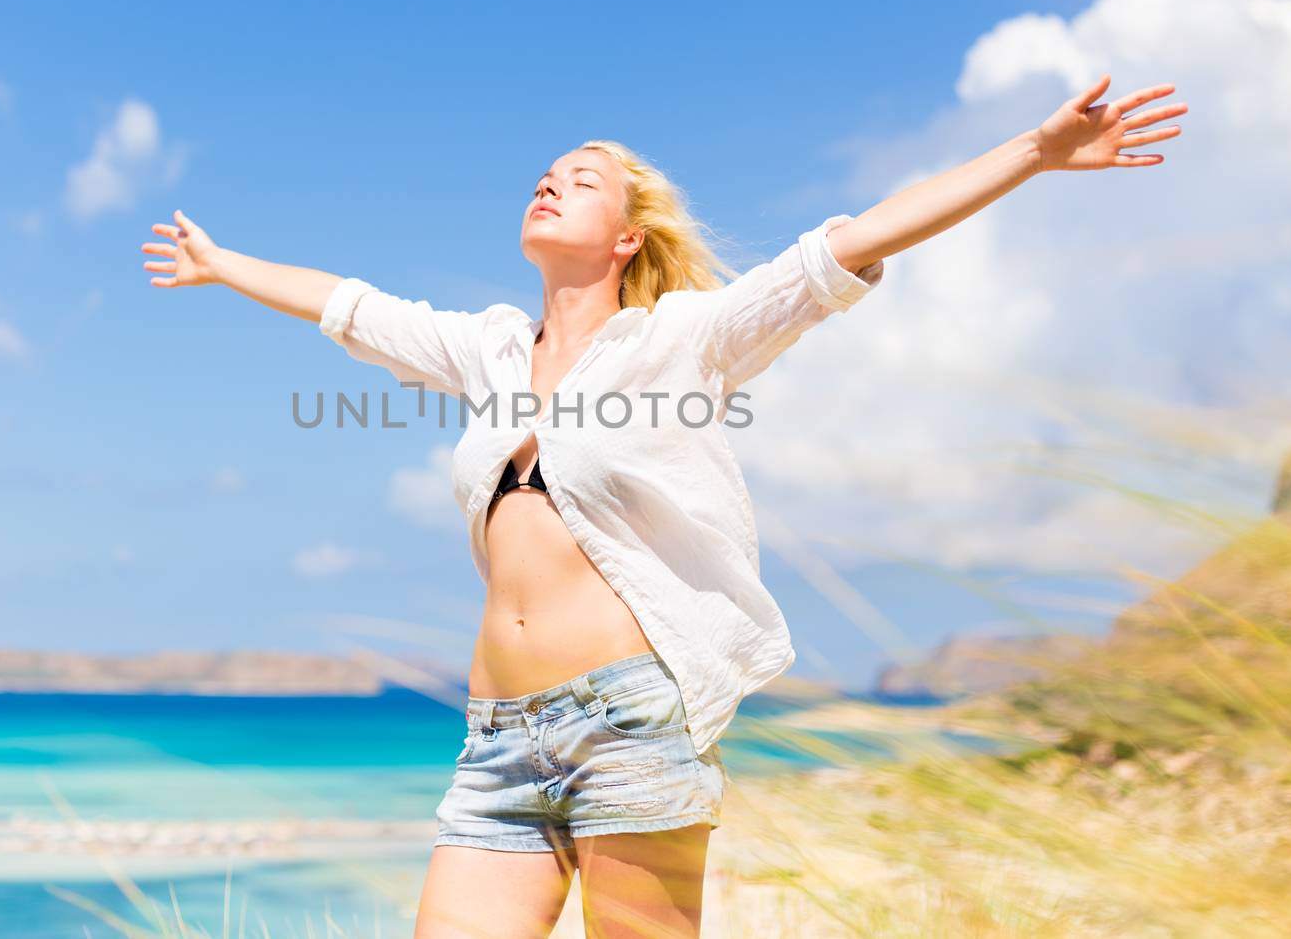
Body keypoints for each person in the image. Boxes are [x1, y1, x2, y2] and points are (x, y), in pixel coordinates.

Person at [139, 73, 1186, 937]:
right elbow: (356, 309)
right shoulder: (492, 350)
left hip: (630, 721)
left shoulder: (683, 340)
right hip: (495, 735)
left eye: (580, 180)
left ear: (628, 237)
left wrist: (1033, 152)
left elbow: (847, 246)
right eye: (543, 175)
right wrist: (222, 264)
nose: (548, 185)